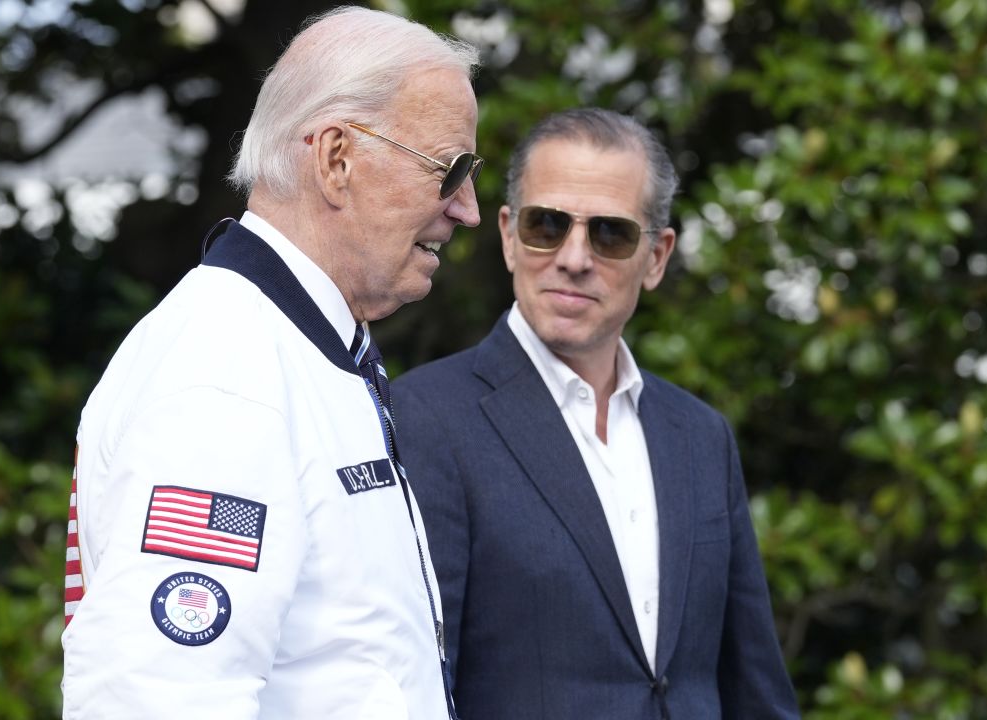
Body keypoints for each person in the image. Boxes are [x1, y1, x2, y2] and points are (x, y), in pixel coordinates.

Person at [60, 7, 482, 718]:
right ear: (337, 159)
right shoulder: (228, 375)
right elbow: (159, 699)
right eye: (451, 170)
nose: (467, 208)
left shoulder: (293, 346)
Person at [393, 108, 799, 719]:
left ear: (657, 257)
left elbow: (754, 689)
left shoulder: (700, 436)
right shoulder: (426, 418)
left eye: (610, 234)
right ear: (508, 236)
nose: (574, 257)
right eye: (546, 225)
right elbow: (414, 684)